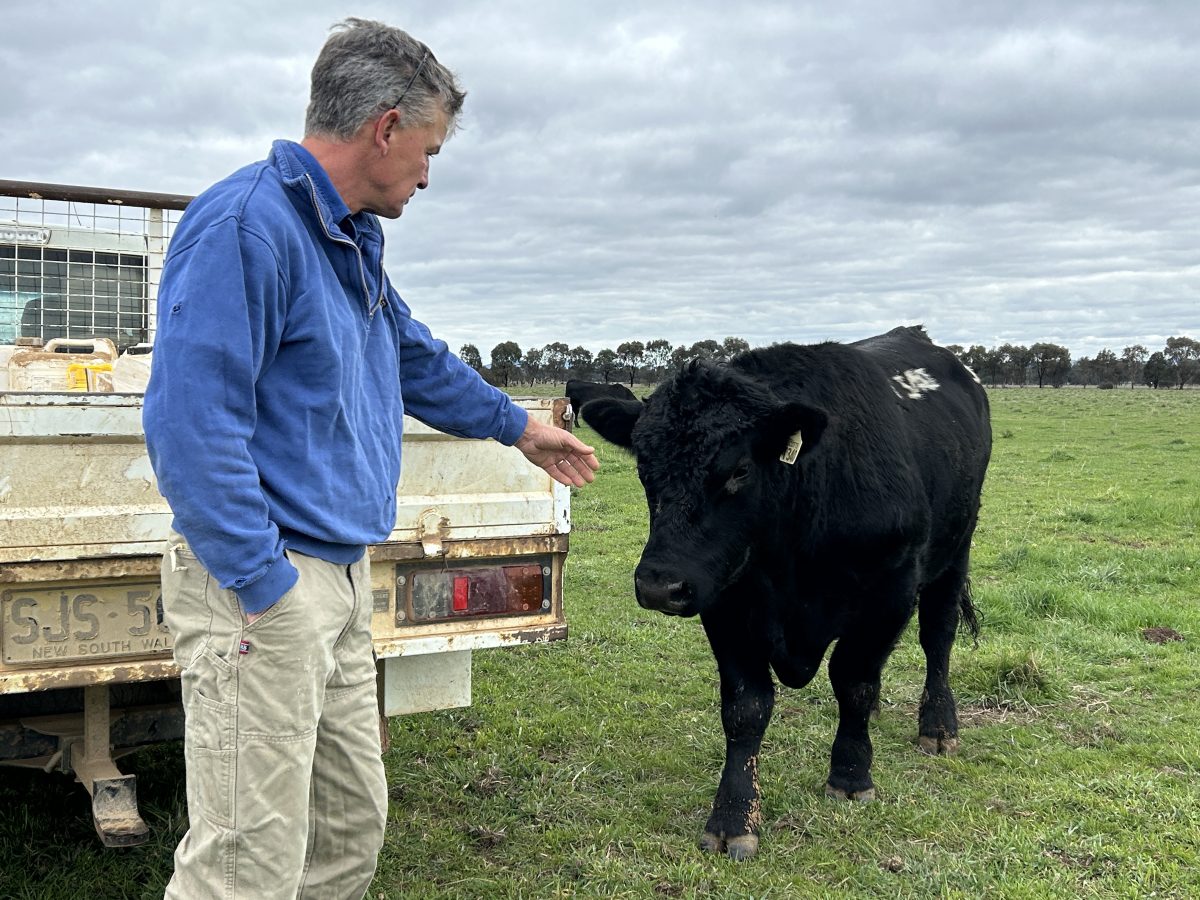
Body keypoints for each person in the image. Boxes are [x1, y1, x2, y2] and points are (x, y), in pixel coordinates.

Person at [142, 18, 598, 899]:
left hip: (341, 577)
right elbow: (192, 428)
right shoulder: (247, 228)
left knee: (349, 830)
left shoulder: (348, 236)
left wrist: (517, 426)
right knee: (244, 865)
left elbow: (406, 352)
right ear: (384, 128)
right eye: (425, 150)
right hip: (265, 586)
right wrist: (263, 583)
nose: (427, 173)